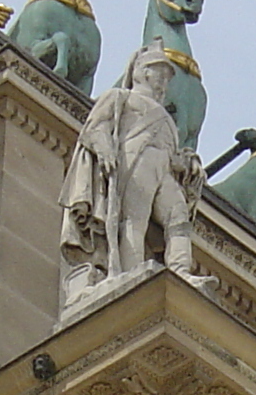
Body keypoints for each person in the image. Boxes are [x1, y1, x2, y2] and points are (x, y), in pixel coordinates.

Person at [58, 42, 204, 309]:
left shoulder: (168, 120)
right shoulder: (119, 98)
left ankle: (180, 270)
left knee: (178, 217)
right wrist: (104, 152)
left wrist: (187, 164)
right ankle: (130, 275)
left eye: (167, 75)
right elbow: (96, 127)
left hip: (163, 170)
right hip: (134, 161)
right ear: (143, 72)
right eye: (160, 72)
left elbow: (172, 156)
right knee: (132, 222)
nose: (165, 80)